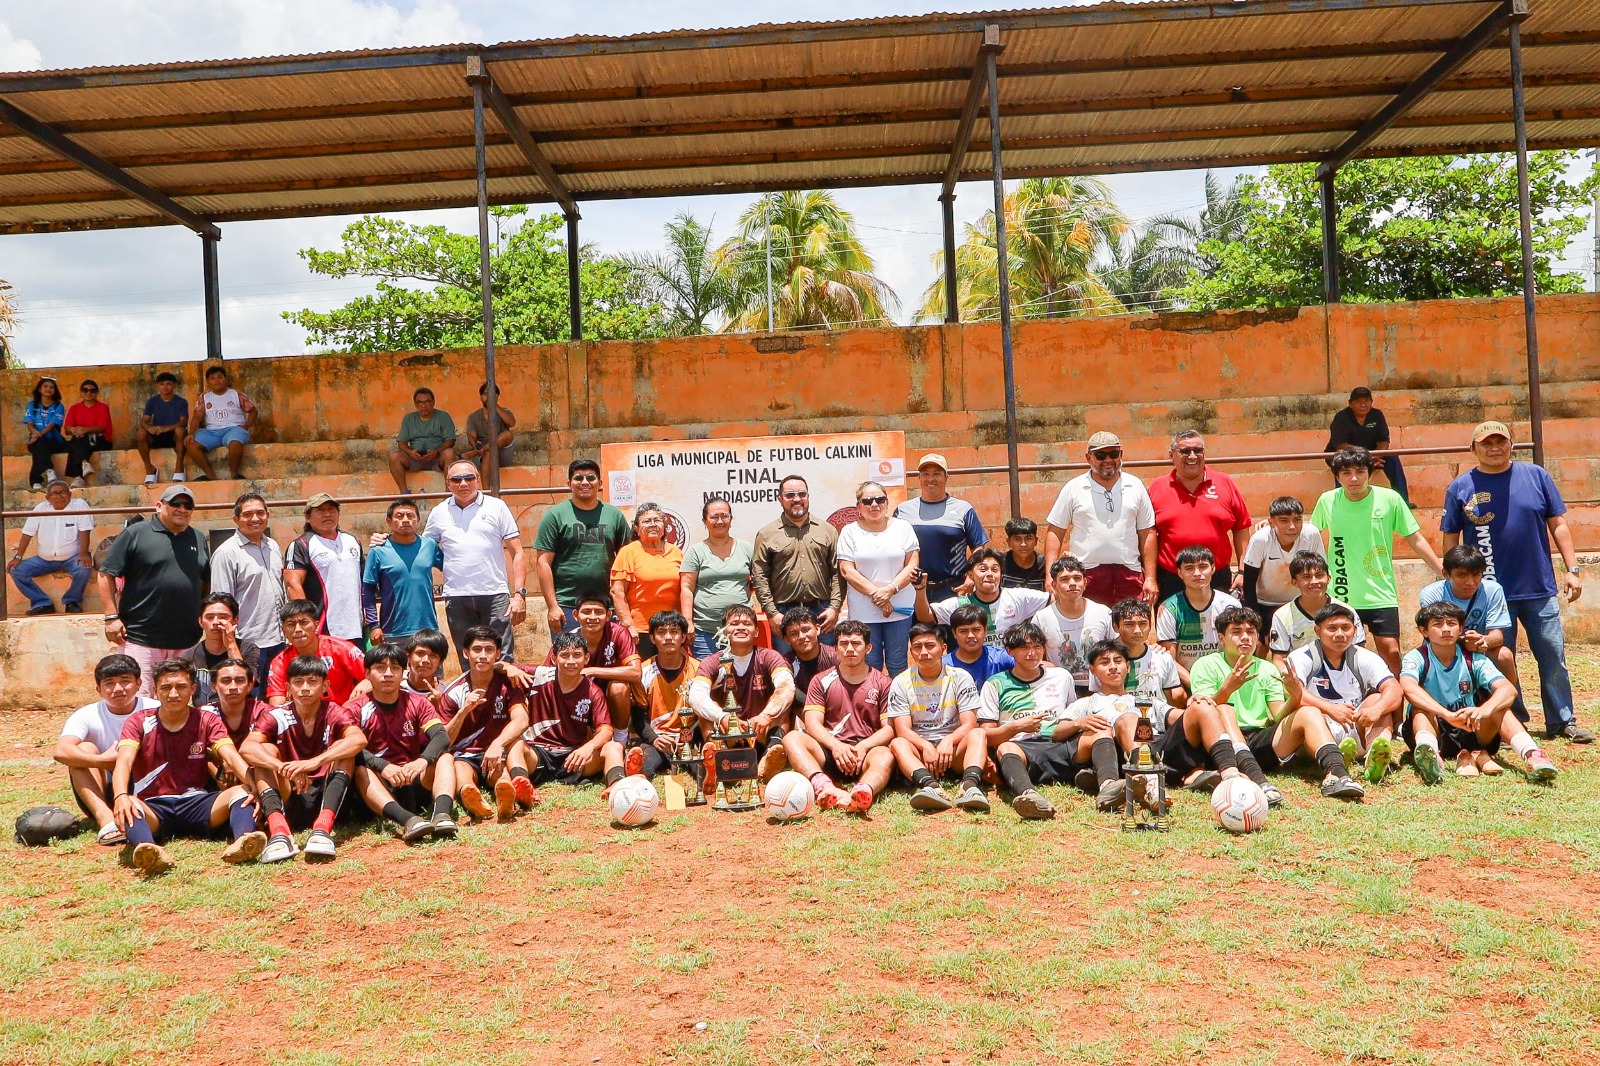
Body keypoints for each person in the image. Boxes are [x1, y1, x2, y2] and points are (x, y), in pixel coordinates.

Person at [1441, 421, 1593, 744]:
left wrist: (1573, 568)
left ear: (1512, 445)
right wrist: (1452, 580)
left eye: (1501, 441)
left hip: (1539, 587)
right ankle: (1515, 719)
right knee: (1499, 657)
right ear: (1473, 449)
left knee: (1552, 654)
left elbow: (1559, 525)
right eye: (1486, 442)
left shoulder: (1536, 476)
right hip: (1489, 593)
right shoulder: (1460, 487)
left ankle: (1562, 720)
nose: (1494, 447)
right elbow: (1450, 536)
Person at [1189, 606, 1363, 802]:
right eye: (1236, 632)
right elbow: (1204, 711)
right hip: (1222, 746)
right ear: (1221, 638)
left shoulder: (1266, 668)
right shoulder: (1206, 664)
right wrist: (1228, 688)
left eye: (1251, 632)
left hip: (1257, 739)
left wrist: (1296, 695)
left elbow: (1278, 715)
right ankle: (1257, 780)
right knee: (1224, 709)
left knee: (1309, 711)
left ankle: (1337, 775)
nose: (1245, 638)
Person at [110, 658, 266, 873]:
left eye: (181, 687)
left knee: (241, 791)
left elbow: (230, 755)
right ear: (155, 691)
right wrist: (120, 796)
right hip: (154, 807)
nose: (173, 694)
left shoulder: (206, 719)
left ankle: (244, 841)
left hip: (199, 803)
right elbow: (124, 762)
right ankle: (148, 850)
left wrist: (253, 786)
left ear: (193, 688)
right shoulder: (138, 721)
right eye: (166, 687)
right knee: (131, 805)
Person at [1069, 639, 1252, 806]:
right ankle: (1151, 783)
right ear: (1092, 669)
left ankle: (1231, 776)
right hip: (1124, 756)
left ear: (1128, 666)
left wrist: (1200, 704)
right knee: (1129, 718)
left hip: (1160, 749)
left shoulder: (1145, 700)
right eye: (1104, 663)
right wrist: (1079, 724)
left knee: (1201, 706)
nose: (1113, 667)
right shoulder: (1086, 703)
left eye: (1118, 661)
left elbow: (1182, 717)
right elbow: (1057, 731)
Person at [1312, 446, 1444, 675]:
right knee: (1343, 654)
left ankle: (1395, 708)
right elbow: (1309, 536)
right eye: (1346, 473)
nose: (1353, 478)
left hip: (1381, 592)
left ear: (1370, 473)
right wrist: (1272, 528)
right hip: (1341, 593)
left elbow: (1415, 538)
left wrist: (1442, 570)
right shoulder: (1327, 501)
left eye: (1360, 471)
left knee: (1391, 652)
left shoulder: (1390, 498)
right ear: (1337, 476)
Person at [1400, 602, 1558, 784]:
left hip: (1471, 726)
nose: (1446, 630)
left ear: (1460, 629)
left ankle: (1533, 756)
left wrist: (1484, 710)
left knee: (1500, 708)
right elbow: (1408, 687)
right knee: (1420, 710)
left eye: (1451, 624)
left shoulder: (1473, 658)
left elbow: (1507, 689)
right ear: (1424, 631)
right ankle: (1431, 757)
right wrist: (1447, 714)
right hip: (1434, 727)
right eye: (1437, 624)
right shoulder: (1416, 657)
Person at [242, 656, 367, 863]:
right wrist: (282, 767)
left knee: (343, 749)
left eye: (312, 681)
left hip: (328, 794)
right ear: (288, 687)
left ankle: (322, 829)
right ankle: (279, 833)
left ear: (325, 685)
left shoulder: (335, 711)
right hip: (290, 793)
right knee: (265, 751)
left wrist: (314, 762)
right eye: (298, 682)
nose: (305, 688)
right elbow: (247, 747)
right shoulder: (277, 715)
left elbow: (358, 739)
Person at [98, 484, 209, 694]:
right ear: (159, 506)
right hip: (142, 638)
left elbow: (205, 582)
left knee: (179, 700)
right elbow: (105, 574)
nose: (182, 509)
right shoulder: (135, 534)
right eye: (175, 503)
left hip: (186, 639)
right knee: (139, 700)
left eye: (188, 505)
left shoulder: (198, 538)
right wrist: (111, 617)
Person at [417, 461, 527, 664]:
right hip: (457, 597)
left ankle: (503, 696)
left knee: (502, 657)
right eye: (456, 479)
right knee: (468, 659)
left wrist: (519, 594)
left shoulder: (497, 507)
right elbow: (423, 548)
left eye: (469, 478)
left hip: (494, 594)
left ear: (478, 479)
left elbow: (518, 552)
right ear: (448, 483)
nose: (463, 483)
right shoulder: (439, 512)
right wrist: (387, 539)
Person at [1285, 603, 1404, 786]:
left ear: (1355, 630)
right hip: (1319, 731)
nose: (1339, 634)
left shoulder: (1365, 657)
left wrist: (1377, 710)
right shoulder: (1302, 657)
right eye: (1331, 628)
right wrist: (1330, 708)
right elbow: (1296, 692)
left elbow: (1394, 689)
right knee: (1310, 713)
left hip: (1354, 724)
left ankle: (1375, 757)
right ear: (1318, 631)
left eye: (1345, 628)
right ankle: (1335, 759)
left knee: (1377, 699)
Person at [781, 621, 895, 813]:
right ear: (836, 649)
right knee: (792, 738)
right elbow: (812, 723)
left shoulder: (883, 682)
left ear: (868, 648)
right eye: (843, 644)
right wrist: (836, 746)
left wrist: (863, 746)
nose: (850, 649)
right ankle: (825, 787)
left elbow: (889, 728)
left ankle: (862, 792)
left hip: (866, 752)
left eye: (856, 643)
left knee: (885, 754)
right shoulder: (820, 680)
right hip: (831, 750)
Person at [348, 643, 456, 842]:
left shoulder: (417, 702)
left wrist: (422, 761)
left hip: (410, 777)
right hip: (377, 785)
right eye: (380, 668)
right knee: (360, 770)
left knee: (446, 757)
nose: (388, 674)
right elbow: (347, 749)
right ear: (367, 674)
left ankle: (442, 815)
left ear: (403, 673)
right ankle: (407, 821)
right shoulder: (354, 709)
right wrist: (383, 767)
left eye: (395, 668)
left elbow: (441, 736)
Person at [55, 654, 159, 846]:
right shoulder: (86, 715)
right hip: (106, 787)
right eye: (109, 683)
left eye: (125, 682)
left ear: (138, 683)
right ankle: (106, 820)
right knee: (84, 749)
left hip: (147, 785)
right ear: (98, 689)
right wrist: (102, 761)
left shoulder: (156, 709)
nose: (118, 689)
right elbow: (61, 751)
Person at [886, 622, 990, 813]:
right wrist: (925, 746)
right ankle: (931, 787)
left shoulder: (960, 677)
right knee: (898, 743)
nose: (924, 652)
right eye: (917, 647)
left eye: (930, 646)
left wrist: (948, 740)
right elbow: (902, 730)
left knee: (978, 734)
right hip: (921, 753)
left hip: (954, 749)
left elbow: (969, 723)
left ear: (943, 648)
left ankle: (970, 787)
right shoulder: (901, 682)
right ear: (911, 652)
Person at [1045, 432, 1158, 606]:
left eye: (1113, 454)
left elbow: (1147, 533)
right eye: (1100, 455)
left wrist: (1150, 578)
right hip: (1087, 575)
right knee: (1090, 632)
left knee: (1132, 630)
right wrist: (1049, 575)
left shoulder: (1135, 486)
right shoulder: (1074, 488)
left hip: (1129, 574)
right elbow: (1055, 531)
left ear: (1121, 455)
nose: (1108, 460)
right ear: (1088, 458)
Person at [978, 621, 1075, 820]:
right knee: (1006, 748)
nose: (1032, 653)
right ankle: (1028, 795)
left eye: (1037, 646)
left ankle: (1107, 783)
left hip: (1058, 741)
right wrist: (1015, 728)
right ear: (1010, 651)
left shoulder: (1062, 676)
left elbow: (1073, 714)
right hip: (1021, 748)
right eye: (1024, 648)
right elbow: (986, 734)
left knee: (1095, 733)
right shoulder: (995, 684)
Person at [440, 626, 534, 821]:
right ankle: (470, 795)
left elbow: (521, 719)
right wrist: (463, 711)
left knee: (500, 774)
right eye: (476, 650)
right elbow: (444, 741)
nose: (482, 656)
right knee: (461, 771)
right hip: (465, 755)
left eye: (489, 650)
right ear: (465, 653)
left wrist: (497, 743)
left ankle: (506, 797)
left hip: (495, 753)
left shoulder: (509, 684)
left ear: (498, 654)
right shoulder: (453, 692)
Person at [1147, 429, 1251, 602]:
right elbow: (1148, 534)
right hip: (1171, 579)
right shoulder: (1157, 487)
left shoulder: (1225, 482)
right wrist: (1150, 576)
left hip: (1216, 577)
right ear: (1171, 455)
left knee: (1220, 628)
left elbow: (1241, 527)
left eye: (1198, 450)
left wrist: (1242, 570)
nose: (1192, 456)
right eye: (1185, 451)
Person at [514, 630, 621, 792]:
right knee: (515, 745)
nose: (571, 661)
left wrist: (589, 747)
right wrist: (506, 667)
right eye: (564, 655)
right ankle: (521, 786)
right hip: (538, 754)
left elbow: (606, 730)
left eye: (577, 655)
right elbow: (497, 667)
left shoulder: (593, 691)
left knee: (615, 747)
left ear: (586, 659)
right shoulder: (538, 676)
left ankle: (617, 787)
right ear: (554, 658)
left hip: (574, 758)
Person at [534, 458, 632, 633]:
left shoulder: (614, 515)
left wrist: (622, 605)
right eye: (578, 478)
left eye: (591, 478)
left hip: (606, 607)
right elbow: (543, 563)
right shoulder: (555, 516)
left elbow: (628, 560)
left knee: (606, 659)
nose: (585, 482)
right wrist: (552, 606)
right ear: (569, 483)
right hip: (567, 606)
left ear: (600, 483)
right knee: (569, 658)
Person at [688, 604, 796, 762]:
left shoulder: (770, 656)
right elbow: (695, 696)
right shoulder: (711, 662)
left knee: (783, 703)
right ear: (723, 631)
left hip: (761, 730)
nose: (740, 628)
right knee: (705, 710)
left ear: (756, 631)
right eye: (733, 624)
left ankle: (771, 755)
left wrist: (766, 715)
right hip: (727, 733)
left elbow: (787, 686)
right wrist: (722, 717)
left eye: (747, 624)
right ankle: (719, 757)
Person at [751, 475, 844, 657]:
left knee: (827, 666)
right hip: (783, 613)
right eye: (790, 495)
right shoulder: (766, 534)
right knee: (786, 668)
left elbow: (837, 573)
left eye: (802, 494)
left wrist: (834, 608)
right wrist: (772, 614)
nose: (796, 499)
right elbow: (760, 576)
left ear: (808, 497)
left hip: (821, 612)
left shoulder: (827, 530)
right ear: (780, 499)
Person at [837, 481, 921, 678]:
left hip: (900, 609)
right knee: (870, 661)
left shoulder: (903, 527)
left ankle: (898, 706)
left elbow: (913, 564)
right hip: (864, 611)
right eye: (867, 501)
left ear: (887, 503)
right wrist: (878, 595)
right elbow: (847, 570)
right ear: (858, 507)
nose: (874, 505)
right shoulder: (850, 532)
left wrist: (890, 590)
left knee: (898, 661)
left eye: (879, 499)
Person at [209, 492, 287, 698]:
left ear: (267, 515)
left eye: (260, 513)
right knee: (250, 701)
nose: (255, 519)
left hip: (278, 641)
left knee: (277, 699)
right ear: (236, 519)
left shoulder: (273, 546)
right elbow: (221, 605)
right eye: (248, 514)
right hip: (248, 643)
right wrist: (230, 644)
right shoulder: (226, 553)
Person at [1420, 545, 1518, 704]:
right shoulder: (1431, 594)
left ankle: (1505, 706)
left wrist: (1483, 641)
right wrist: (1463, 641)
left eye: (1476, 575)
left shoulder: (1493, 590)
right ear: (1446, 574)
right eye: (1461, 575)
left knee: (1505, 655)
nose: (1470, 582)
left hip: (1479, 650)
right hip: (1442, 650)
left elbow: (1497, 636)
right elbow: (1434, 635)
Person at [895, 454, 988, 602]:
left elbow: (979, 548)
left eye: (937, 474)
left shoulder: (963, 509)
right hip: (912, 591)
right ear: (919, 478)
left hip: (953, 589)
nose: (930, 479)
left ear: (946, 477)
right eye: (925, 474)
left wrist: (971, 578)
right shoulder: (902, 510)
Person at [915, 547, 1050, 648]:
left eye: (995, 570)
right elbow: (925, 616)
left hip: (1010, 667)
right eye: (983, 569)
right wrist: (920, 589)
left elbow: (1054, 599)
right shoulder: (960, 604)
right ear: (971, 575)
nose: (990, 574)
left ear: (1001, 575)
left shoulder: (1018, 597)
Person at [626, 610, 701, 780]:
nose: (668, 637)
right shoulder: (643, 671)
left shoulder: (699, 669)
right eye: (661, 632)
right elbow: (639, 716)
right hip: (659, 740)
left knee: (702, 769)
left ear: (683, 637)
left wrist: (689, 737)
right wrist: (654, 739)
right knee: (645, 768)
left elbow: (705, 714)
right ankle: (636, 772)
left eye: (674, 632)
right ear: (652, 638)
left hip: (690, 740)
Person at [679, 495, 755, 660]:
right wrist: (688, 622)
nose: (720, 521)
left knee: (739, 678)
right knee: (709, 679)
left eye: (724, 516)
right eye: (714, 517)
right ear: (705, 521)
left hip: (740, 631)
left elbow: (759, 582)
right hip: (705, 633)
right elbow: (686, 588)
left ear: (731, 519)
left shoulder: (747, 549)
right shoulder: (696, 552)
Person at [285, 493, 366, 642]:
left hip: (355, 627)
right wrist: (306, 622)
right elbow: (292, 584)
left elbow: (363, 581)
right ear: (308, 517)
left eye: (331, 510)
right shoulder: (301, 545)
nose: (327, 514)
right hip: (322, 628)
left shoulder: (353, 541)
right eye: (320, 511)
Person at [363, 498, 443, 648]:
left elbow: (451, 567)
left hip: (428, 629)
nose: (405, 520)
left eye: (410, 516)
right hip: (392, 632)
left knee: (430, 671)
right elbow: (368, 591)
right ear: (389, 521)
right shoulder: (378, 551)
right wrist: (374, 625)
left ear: (418, 520)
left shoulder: (430, 546)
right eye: (399, 516)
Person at [1156, 545, 1242, 682]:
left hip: (1224, 679)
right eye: (1189, 568)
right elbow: (1170, 659)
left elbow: (1238, 649)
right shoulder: (1168, 608)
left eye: (1203, 567)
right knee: (1177, 695)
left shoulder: (1230, 605)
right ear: (1179, 573)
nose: (1197, 573)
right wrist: (1195, 685)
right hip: (1186, 679)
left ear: (1213, 568)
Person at [8, 478, 94, 615]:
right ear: (48, 497)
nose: (59, 496)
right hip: (44, 560)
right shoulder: (41, 508)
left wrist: (83, 554)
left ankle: (72, 601)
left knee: (84, 567)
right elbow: (27, 533)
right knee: (16, 570)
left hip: (72, 558)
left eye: (63, 492)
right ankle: (42, 603)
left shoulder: (79, 505)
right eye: (54, 493)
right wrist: (18, 556)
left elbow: (85, 531)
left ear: (70, 494)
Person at [611, 503, 685, 659]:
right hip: (641, 630)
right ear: (637, 528)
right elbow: (617, 592)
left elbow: (686, 589)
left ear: (665, 526)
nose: (652, 524)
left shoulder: (676, 552)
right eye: (646, 521)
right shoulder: (628, 552)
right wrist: (628, 625)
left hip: (672, 629)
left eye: (657, 520)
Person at [1032, 555, 1113, 694]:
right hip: (1060, 689)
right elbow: (1031, 651)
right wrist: (1044, 666)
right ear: (1054, 585)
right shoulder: (1042, 618)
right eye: (1064, 579)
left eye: (1077, 578)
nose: (1072, 583)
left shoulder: (1103, 613)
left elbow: (1118, 647)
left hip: (1101, 688)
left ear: (1085, 582)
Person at [1267, 551, 1366, 662]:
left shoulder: (1347, 611)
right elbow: (1279, 658)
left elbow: (1359, 652)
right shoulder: (1282, 616)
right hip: (1300, 676)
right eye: (1306, 577)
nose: (1314, 581)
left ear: (1328, 578)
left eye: (1319, 576)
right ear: (1295, 582)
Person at [265, 600, 368, 706]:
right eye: (291, 624)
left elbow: (374, 673)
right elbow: (276, 705)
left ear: (316, 625)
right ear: (283, 631)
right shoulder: (280, 662)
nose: (298, 629)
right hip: (302, 718)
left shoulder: (342, 649)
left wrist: (367, 681)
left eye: (304, 622)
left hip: (345, 713)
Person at [1241, 496, 1324, 619]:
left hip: (1300, 603)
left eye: (1297, 519)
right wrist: (1254, 618)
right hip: (1265, 604)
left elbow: (1320, 572)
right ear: (1271, 522)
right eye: (1284, 521)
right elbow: (1248, 583)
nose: (1292, 526)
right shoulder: (1261, 539)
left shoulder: (1312, 534)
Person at [1325, 386, 1408, 506]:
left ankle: (1403, 501)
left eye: (1367, 401)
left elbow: (1384, 440)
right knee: (1342, 463)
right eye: (1359, 402)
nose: (1363, 405)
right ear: (1350, 403)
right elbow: (1340, 445)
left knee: (1392, 458)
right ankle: (1341, 503)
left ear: (1371, 402)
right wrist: (1365, 457)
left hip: (1373, 456)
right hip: (1347, 454)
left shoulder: (1377, 415)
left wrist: (1377, 455)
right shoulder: (1341, 418)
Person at [1100, 599, 1186, 708]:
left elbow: (1170, 699)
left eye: (1143, 624)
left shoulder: (1163, 657)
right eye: (1129, 624)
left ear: (1150, 625)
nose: (1137, 630)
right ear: (1115, 626)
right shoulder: (1103, 660)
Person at [180, 593, 262, 707]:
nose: (215, 622)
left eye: (223, 617)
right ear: (200, 621)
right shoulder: (189, 656)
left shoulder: (249, 649)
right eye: (209, 617)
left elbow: (247, 684)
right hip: (204, 716)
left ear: (235, 620)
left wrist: (231, 644)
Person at [184, 363, 257, 481]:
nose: (216, 380)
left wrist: (245, 426)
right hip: (212, 432)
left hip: (233, 429)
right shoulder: (204, 397)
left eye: (219, 377)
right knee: (191, 444)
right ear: (208, 382)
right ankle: (210, 475)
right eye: (212, 378)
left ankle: (234, 474)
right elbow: (197, 417)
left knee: (235, 442)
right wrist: (191, 433)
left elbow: (253, 411)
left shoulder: (236, 394)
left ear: (225, 379)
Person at [387, 387, 457, 493]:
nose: (423, 405)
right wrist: (410, 452)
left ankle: (449, 492)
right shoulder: (409, 418)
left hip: (437, 457)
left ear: (433, 402)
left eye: (427, 402)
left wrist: (437, 451)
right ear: (415, 404)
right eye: (420, 402)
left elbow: (451, 440)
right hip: (415, 458)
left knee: (450, 453)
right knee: (394, 456)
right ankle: (404, 494)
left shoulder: (443, 416)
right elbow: (401, 443)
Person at [778, 607, 840, 721]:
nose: (801, 637)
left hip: (836, 713)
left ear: (817, 629)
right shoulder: (784, 663)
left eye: (806, 630)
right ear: (786, 640)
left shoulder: (837, 658)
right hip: (802, 716)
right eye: (794, 633)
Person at [136, 371, 189, 485]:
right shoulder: (152, 401)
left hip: (173, 435)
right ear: (158, 386)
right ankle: (150, 470)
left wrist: (166, 428)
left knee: (180, 431)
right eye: (162, 384)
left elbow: (184, 421)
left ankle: (179, 467)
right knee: (141, 433)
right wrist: (149, 428)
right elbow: (144, 420)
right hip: (157, 435)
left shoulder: (181, 402)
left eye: (168, 384)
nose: (165, 387)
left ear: (174, 385)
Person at [944, 604, 1015, 689]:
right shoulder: (943, 666)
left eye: (976, 630)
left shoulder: (1002, 657)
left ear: (985, 630)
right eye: (963, 631)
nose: (970, 635)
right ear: (954, 633)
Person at [61, 378, 113, 486]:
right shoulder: (74, 408)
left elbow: (102, 428)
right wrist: (73, 429)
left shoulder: (103, 407)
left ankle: (78, 476)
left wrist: (86, 429)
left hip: (100, 439)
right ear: (81, 392)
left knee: (76, 442)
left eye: (92, 390)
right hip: (80, 438)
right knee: (76, 439)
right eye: (85, 390)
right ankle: (84, 463)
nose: (88, 393)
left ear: (96, 393)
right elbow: (67, 429)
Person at [462, 382, 516, 480]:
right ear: (480, 397)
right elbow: (471, 436)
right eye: (486, 394)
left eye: (492, 394)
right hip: (482, 456)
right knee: (488, 453)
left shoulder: (505, 412)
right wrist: (474, 444)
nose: (488, 397)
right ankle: (487, 493)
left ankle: (483, 449)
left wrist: (494, 405)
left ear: (497, 396)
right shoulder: (473, 416)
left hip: (502, 454)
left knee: (508, 435)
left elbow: (511, 423)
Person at [23, 375, 67, 491]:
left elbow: (52, 424)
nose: (48, 389)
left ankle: (36, 481)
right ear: (39, 389)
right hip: (36, 439)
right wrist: (35, 433)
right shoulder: (33, 405)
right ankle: (49, 471)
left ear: (55, 390)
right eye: (45, 386)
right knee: (38, 447)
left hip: (54, 441)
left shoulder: (58, 406)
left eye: (51, 387)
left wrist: (38, 435)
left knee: (38, 446)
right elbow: (29, 423)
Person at [999, 517, 1045, 591]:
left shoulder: (1045, 565)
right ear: (1009, 542)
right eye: (1017, 539)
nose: (1023, 544)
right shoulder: (1000, 562)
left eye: (1028, 538)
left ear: (1036, 541)